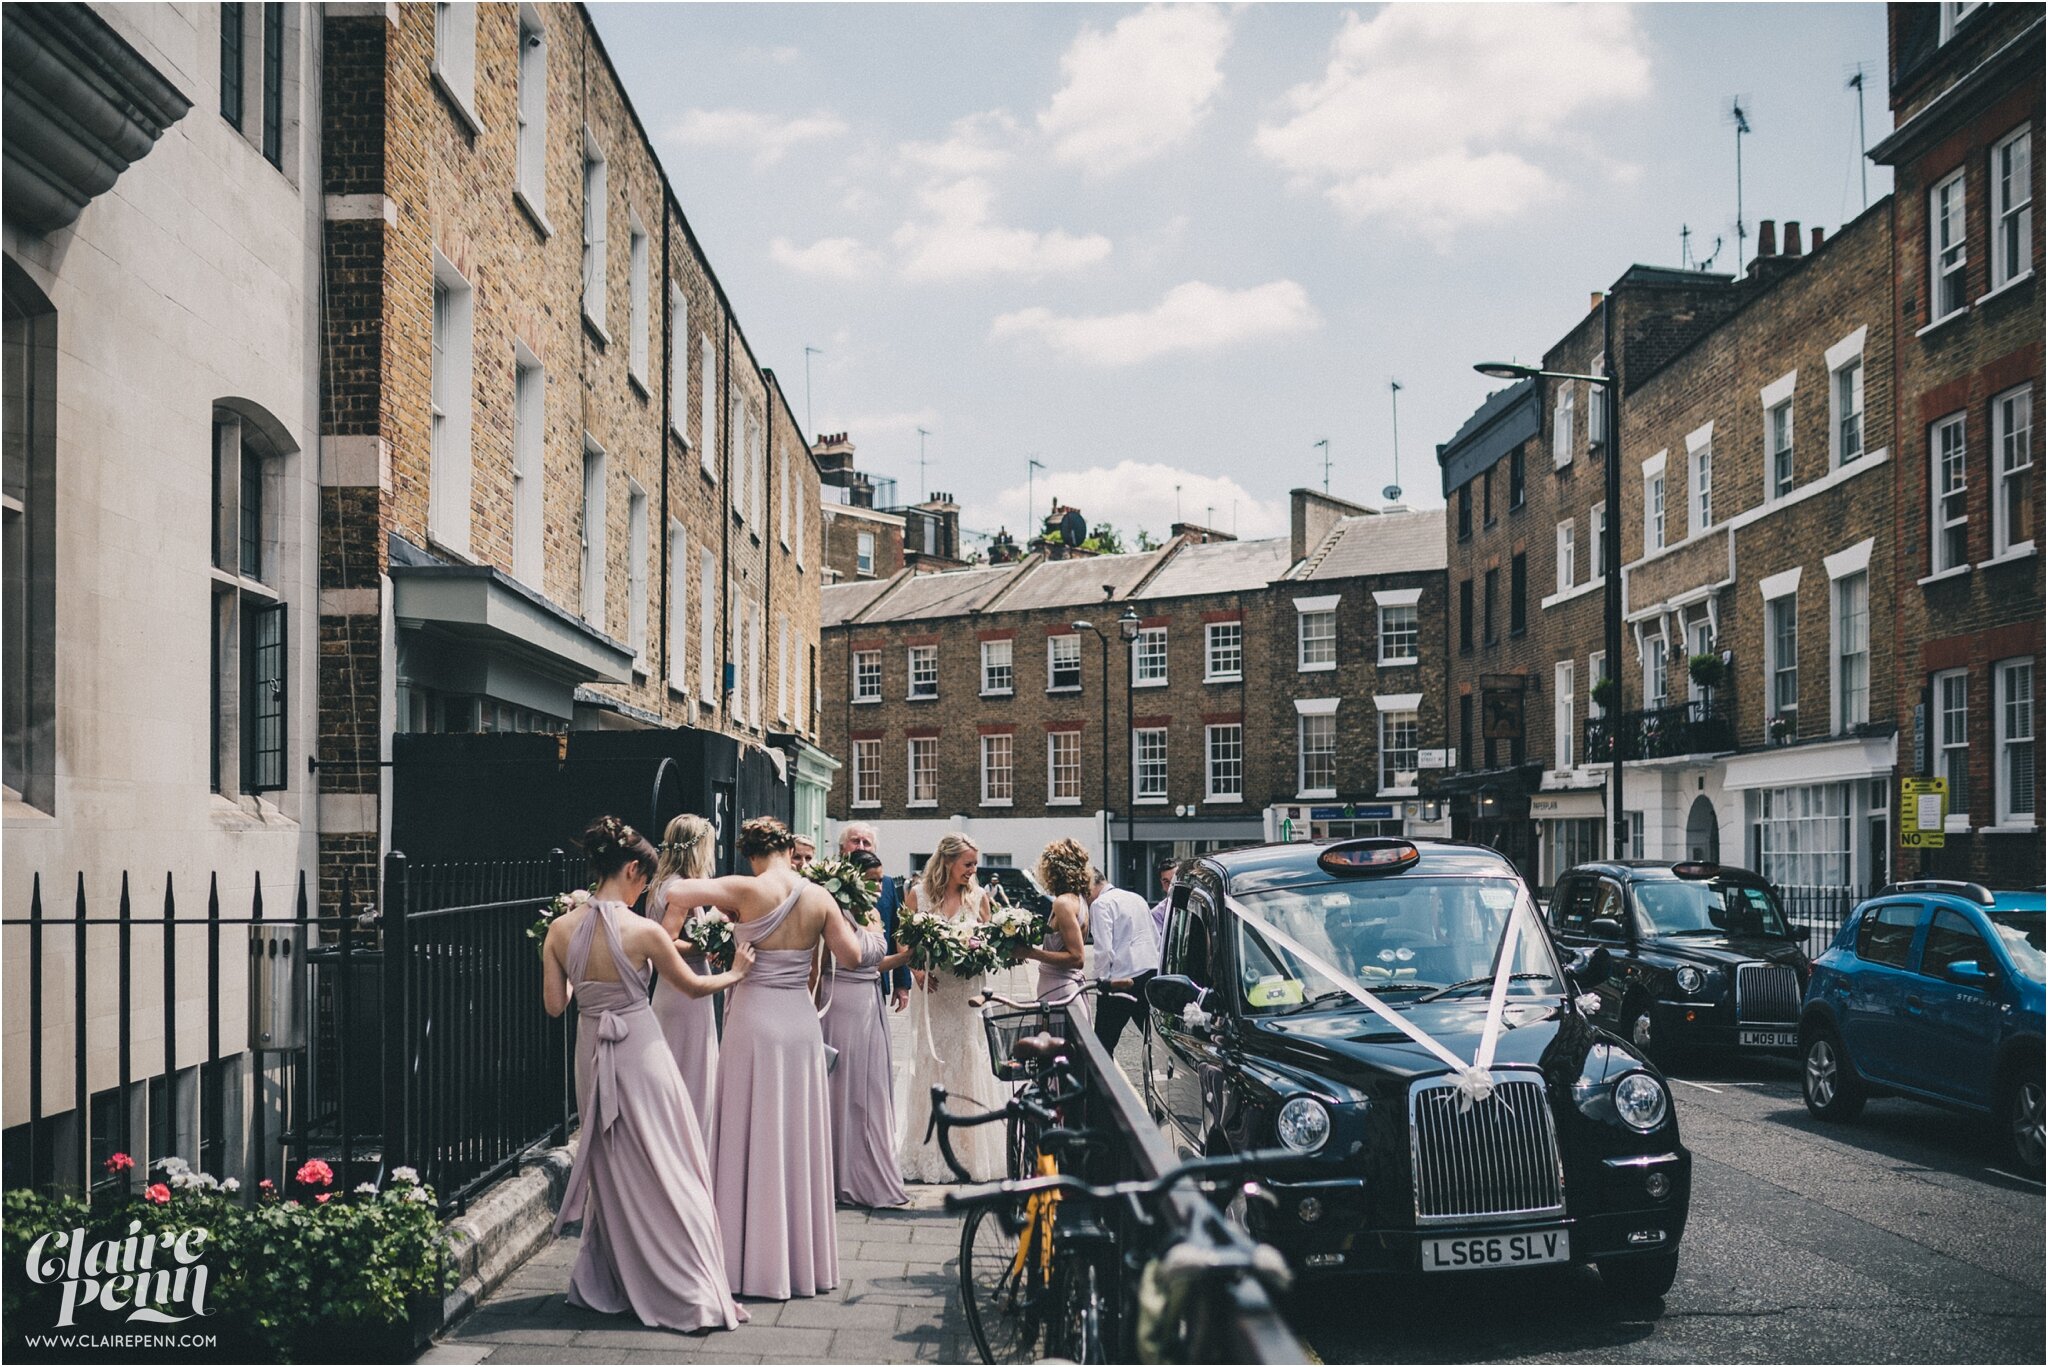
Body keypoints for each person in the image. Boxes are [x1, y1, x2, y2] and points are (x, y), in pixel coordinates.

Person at [541, 815, 753, 1333]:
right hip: (639, 1049)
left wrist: (580, 983)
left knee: (611, 1167)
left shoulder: (559, 929)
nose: (643, 893)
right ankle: (680, 1278)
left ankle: (615, 1275)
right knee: (669, 1160)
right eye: (642, 882)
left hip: (591, 1048)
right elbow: (694, 988)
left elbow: (554, 1006)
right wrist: (738, 972)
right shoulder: (645, 932)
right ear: (633, 869)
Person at [665, 816, 872, 1301]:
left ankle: (744, 1257)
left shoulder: (743, 887)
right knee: (796, 1134)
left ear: (753, 854)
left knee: (747, 1129)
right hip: (799, 1023)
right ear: (785, 848)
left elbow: (675, 894)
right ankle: (800, 1261)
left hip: (754, 1017)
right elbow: (853, 955)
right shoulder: (820, 896)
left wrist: (727, 920)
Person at [894, 833, 1006, 1183]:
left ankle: (969, 1151)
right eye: (967, 864)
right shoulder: (920, 895)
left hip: (967, 993)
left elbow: (990, 941)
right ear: (947, 862)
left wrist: (981, 954)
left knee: (968, 1061)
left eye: (975, 864)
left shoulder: (979, 897)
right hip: (935, 992)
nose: (973, 871)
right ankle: (928, 1150)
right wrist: (915, 971)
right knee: (934, 1063)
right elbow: (903, 939)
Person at [818, 849, 911, 1208]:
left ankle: (867, 1168)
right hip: (841, 1003)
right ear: (852, 878)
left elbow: (876, 962)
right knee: (846, 1089)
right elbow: (845, 959)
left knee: (871, 1088)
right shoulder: (836, 913)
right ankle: (840, 1174)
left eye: (880, 880)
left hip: (870, 1000)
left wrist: (908, 957)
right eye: (871, 881)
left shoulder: (872, 912)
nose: (878, 887)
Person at [648, 813, 721, 1127]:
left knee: (677, 1068)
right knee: (689, 1070)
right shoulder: (682, 889)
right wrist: (702, 949)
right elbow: (665, 940)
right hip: (686, 989)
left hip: (669, 987)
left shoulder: (661, 884)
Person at [839, 822, 913, 1011]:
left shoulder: (886, 884)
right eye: (855, 841)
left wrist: (902, 983)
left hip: (878, 978)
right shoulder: (828, 882)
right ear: (842, 848)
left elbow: (898, 930)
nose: (861, 846)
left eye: (867, 842)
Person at [1087, 867, 1160, 1054]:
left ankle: (1104, 1084)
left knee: (1103, 1047)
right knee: (1155, 1040)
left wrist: (1100, 981)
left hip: (1120, 982)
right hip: (1150, 973)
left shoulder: (1100, 905)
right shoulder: (1136, 898)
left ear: (1088, 886)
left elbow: (1103, 950)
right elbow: (1155, 936)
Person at [1019, 838, 1092, 1022]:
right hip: (1060, 988)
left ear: (1053, 870)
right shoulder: (1078, 899)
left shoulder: (1063, 903)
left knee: (1054, 1048)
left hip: (1060, 990)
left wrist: (1030, 952)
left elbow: (1077, 958)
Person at [1150, 865, 1177, 945]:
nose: (1171, 885)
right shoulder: (1157, 913)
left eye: (1174, 880)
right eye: (1166, 881)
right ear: (1161, 883)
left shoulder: (1198, 904)